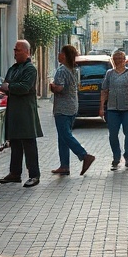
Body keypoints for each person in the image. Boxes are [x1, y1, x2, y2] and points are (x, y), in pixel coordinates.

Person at [0, 40, 43, 187]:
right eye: (14, 50)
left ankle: (34, 175)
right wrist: (8, 86)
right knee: (15, 142)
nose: (15, 53)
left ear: (26, 52)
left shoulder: (30, 69)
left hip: (25, 111)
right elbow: (5, 84)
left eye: (18, 50)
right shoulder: (13, 68)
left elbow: (24, 87)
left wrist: (9, 86)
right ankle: (15, 173)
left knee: (29, 143)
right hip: (14, 110)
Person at [48, 44, 96, 176]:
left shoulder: (62, 70)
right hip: (73, 105)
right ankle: (64, 166)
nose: (58, 55)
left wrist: (51, 86)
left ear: (64, 55)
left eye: (59, 53)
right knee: (63, 137)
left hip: (62, 108)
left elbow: (59, 88)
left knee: (65, 135)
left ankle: (84, 155)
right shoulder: (75, 69)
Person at [100, 49, 128, 169]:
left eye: (120, 59)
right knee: (113, 135)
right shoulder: (109, 74)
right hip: (112, 109)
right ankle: (116, 157)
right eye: (115, 59)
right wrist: (101, 106)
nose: (118, 61)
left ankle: (127, 154)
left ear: (124, 60)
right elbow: (104, 91)